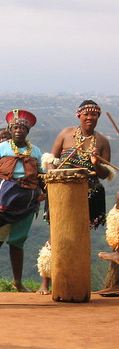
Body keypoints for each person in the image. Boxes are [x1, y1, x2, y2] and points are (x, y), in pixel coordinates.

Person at [36, 100, 113, 294]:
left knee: (79, 237)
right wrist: (54, 179)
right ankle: (45, 282)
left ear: (98, 117)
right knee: (56, 235)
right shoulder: (65, 134)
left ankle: (76, 282)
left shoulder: (102, 141)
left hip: (89, 193)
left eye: (93, 115)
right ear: (78, 115)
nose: (89, 118)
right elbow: (51, 161)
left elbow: (105, 174)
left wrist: (95, 162)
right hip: (62, 193)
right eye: (86, 114)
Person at [0, 110, 45, 292]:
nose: (18, 131)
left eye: (22, 128)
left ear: (27, 131)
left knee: (18, 241)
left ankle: (18, 282)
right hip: (2, 199)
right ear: (10, 128)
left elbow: (42, 177)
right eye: (15, 127)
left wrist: (46, 197)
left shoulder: (36, 152)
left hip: (27, 201)